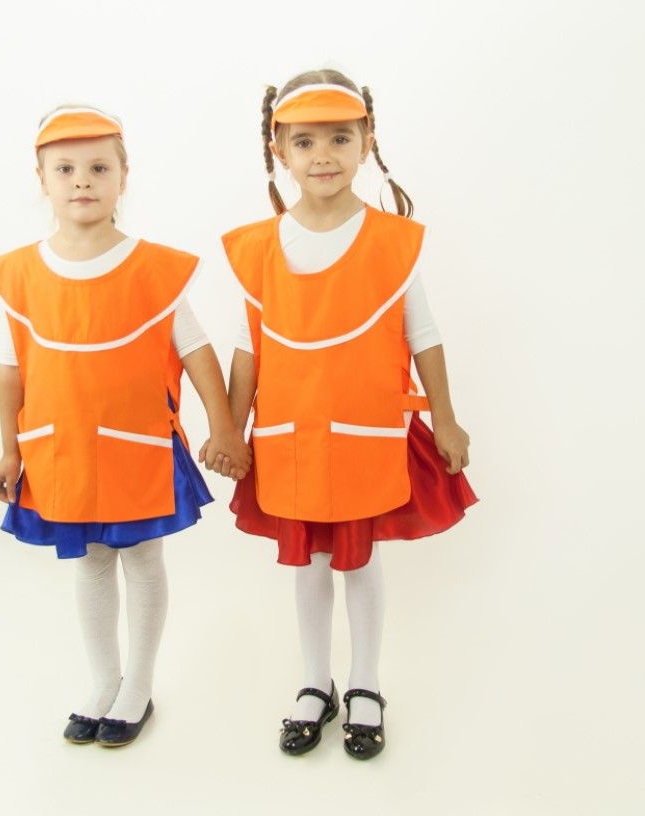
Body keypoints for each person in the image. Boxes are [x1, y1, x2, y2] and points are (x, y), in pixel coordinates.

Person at [221, 71, 477, 760]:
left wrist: (447, 418)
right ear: (279, 150)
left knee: (359, 564)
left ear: (368, 142)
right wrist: (229, 430)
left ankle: (366, 683)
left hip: (366, 434)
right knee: (309, 565)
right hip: (290, 437)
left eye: (341, 137)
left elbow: (423, 333)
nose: (324, 155)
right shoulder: (259, 247)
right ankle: (316, 682)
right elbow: (249, 346)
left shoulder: (393, 241)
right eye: (305, 141)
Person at [0, 105, 250, 748]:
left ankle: (139, 684)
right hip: (62, 449)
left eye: (99, 168)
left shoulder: (153, 270)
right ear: (42, 180)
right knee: (93, 563)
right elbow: (11, 371)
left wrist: (224, 429)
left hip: (138, 447)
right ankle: (104, 680)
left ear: (123, 177)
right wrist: (8, 452)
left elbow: (196, 351)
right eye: (65, 169)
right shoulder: (19, 275)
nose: (82, 180)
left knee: (142, 559)